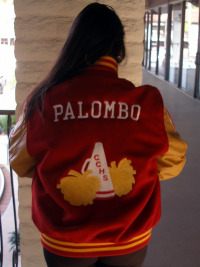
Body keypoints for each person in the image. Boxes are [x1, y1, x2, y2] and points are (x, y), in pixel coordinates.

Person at [9, 3, 187, 267]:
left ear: (73, 47)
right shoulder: (149, 102)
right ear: (119, 52)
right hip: (128, 239)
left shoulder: (41, 101)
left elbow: (19, 162)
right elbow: (174, 163)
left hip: (65, 242)